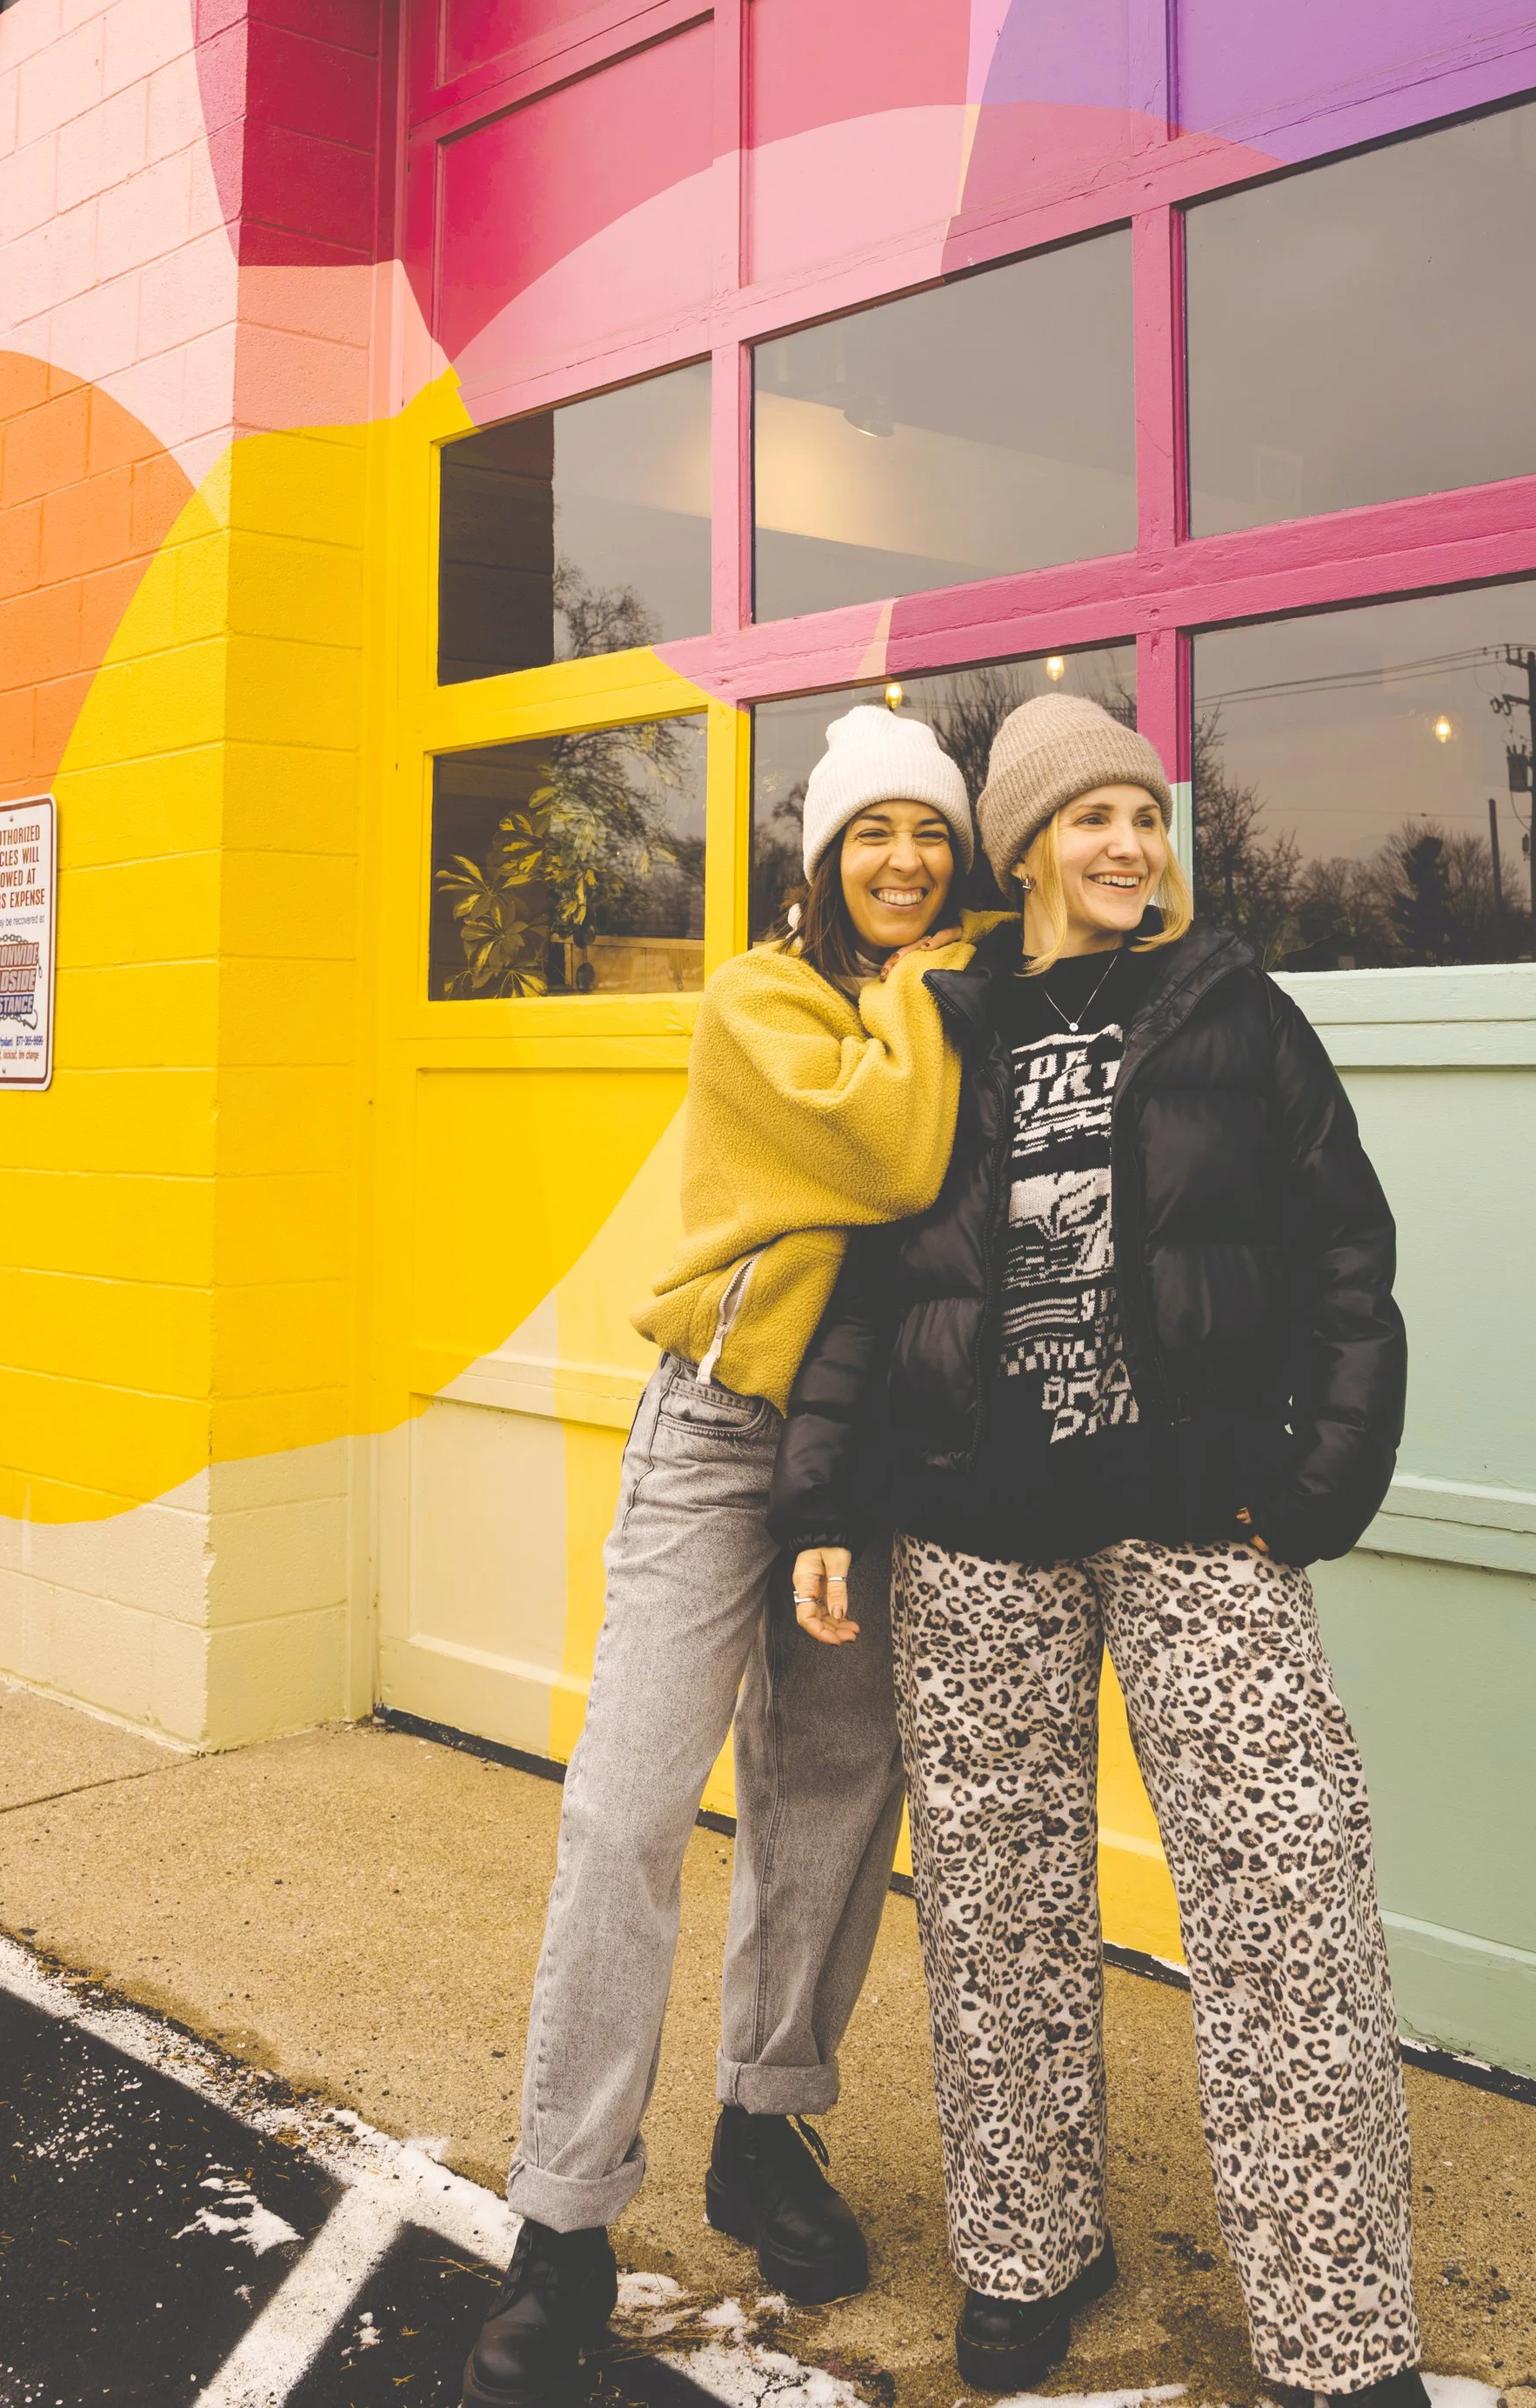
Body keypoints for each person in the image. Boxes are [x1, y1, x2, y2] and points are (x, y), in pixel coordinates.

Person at [771, 692, 1426, 2407]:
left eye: (1145, 813)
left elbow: (1349, 1267)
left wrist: (1312, 1487)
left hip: (1193, 1520)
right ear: (1025, 845)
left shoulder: (1238, 1016)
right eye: (1090, 817)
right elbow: (863, 1279)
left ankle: (1341, 2328)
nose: (1128, 844)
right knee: (996, 1916)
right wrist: (823, 1499)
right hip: (974, 1532)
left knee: (1288, 1903)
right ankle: (1026, 2251)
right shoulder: (946, 1024)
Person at [462, 706, 978, 2408]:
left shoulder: (928, 1009)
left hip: (866, 1458)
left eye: (929, 836)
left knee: (829, 1803)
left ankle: (763, 2130)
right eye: (872, 836)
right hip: (716, 1438)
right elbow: (898, 1155)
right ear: (820, 855)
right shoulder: (764, 1000)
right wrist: (933, 995)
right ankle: (561, 2215)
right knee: (625, 1807)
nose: (902, 864)